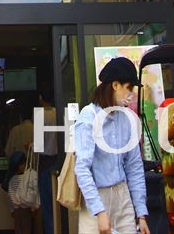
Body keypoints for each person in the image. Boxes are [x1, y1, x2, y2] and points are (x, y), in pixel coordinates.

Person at [73, 57, 150, 234]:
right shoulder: (88, 117)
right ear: (115, 85)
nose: (132, 94)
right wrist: (99, 212)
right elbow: (82, 168)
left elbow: (134, 166)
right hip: (96, 197)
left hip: (123, 197)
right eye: (129, 88)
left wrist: (141, 214)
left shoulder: (128, 118)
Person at [35, 92, 59, 234]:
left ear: (41, 98)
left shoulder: (40, 115)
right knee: (58, 204)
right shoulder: (59, 112)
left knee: (47, 207)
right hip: (59, 162)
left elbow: (38, 145)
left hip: (45, 164)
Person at [6, 150, 37, 234]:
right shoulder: (29, 177)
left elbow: (10, 196)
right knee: (27, 229)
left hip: (16, 209)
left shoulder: (12, 179)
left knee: (18, 229)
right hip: (26, 209)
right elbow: (33, 194)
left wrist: (12, 209)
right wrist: (34, 208)